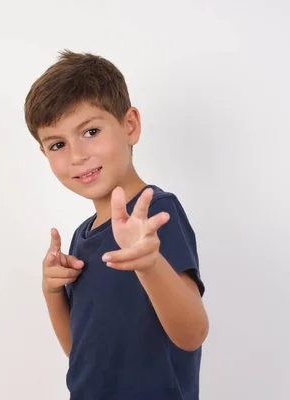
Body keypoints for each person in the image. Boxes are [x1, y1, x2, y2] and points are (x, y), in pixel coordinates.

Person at [24, 50, 209, 400]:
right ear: (45, 154)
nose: (77, 155)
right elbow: (80, 356)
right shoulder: (82, 237)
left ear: (130, 125)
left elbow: (193, 333)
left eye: (91, 131)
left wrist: (149, 263)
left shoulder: (154, 213)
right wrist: (52, 292)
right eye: (58, 144)